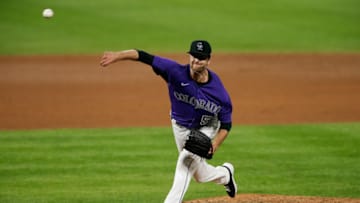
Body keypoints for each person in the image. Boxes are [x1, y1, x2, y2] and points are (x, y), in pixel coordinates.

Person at [100, 40, 237, 202]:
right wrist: (118, 55)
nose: (195, 60)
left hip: (206, 126)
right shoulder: (174, 71)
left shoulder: (219, 93)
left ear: (208, 61)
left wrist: (214, 144)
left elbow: (226, 124)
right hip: (179, 125)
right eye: (193, 56)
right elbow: (143, 56)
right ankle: (225, 174)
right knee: (198, 175)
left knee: (185, 162)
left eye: (200, 58)